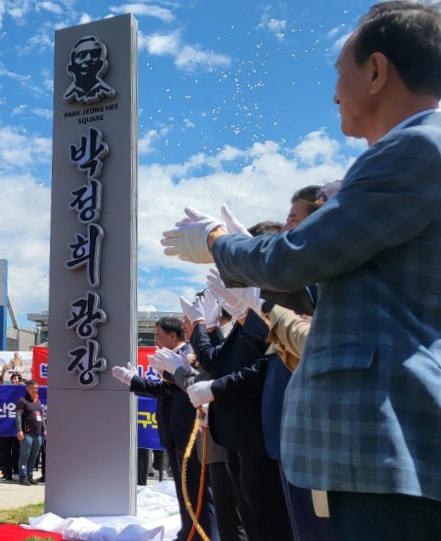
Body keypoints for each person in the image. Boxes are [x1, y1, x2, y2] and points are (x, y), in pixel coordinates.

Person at [160, 4, 441, 538]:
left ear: (376, 71)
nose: (334, 94)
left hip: (376, 439)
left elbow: (292, 258)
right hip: (372, 443)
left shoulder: (413, 148)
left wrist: (217, 243)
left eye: (339, 72)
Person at [113, 317, 220, 541]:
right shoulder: (170, 358)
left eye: (159, 335)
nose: (156, 340)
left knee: (197, 491)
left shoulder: (189, 354)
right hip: (173, 432)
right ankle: (188, 533)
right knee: (184, 491)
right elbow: (164, 390)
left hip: (189, 431)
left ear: (173, 336)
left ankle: (206, 535)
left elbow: (178, 388)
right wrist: (134, 380)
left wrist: (141, 379)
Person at [15, 380, 44, 485]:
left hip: (38, 434)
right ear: (27, 388)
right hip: (27, 434)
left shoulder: (38, 401)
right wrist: (19, 430)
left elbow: (41, 417)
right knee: (25, 455)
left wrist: (45, 430)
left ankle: (29, 475)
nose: (35, 390)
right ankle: (23, 477)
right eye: (33, 388)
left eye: (37, 388)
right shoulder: (22, 401)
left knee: (34, 456)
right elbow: (18, 416)